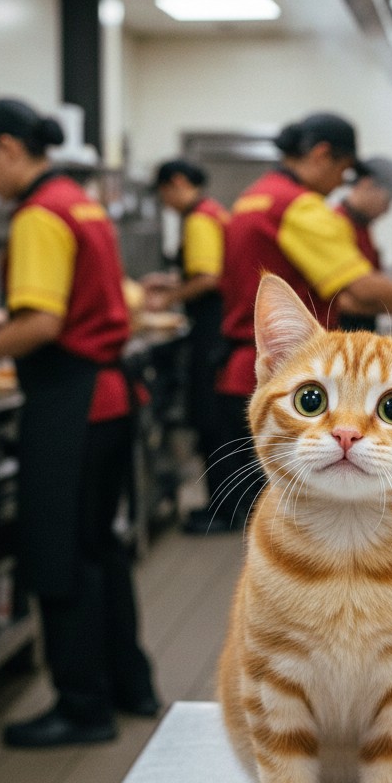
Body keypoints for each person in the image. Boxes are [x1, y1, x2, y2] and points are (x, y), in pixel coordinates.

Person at [0, 98, 158, 748]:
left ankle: (83, 706)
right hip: (106, 398)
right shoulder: (79, 203)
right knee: (100, 549)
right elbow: (70, 302)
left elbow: (45, 322)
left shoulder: (38, 217)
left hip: (71, 403)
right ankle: (130, 684)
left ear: (5, 148)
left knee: (61, 556)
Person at [201, 112, 392, 533]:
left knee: (272, 518)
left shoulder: (254, 196)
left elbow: (342, 292)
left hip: (254, 370)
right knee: (297, 525)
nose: (340, 185)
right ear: (321, 155)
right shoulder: (299, 207)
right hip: (298, 385)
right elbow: (360, 290)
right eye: (343, 171)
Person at [151, 158, 231, 532]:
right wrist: (169, 284)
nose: (165, 203)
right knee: (216, 419)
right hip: (221, 328)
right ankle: (224, 505)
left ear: (178, 182)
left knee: (209, 418)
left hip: (210, 330)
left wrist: (166, 299)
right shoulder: (214, 212)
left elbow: (208, 278)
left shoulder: (199, 218)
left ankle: (222, 509)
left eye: (164, 193)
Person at [335, 156, 392, 332]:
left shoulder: (362, 228)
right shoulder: (336, 223)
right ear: (368, 184)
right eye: (388, 199)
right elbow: (342, 300)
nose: (387, 209)